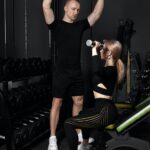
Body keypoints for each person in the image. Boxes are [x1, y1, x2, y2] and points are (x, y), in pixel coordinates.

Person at [42, 0, 104, 150]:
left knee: (79, 101)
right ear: (65, 8)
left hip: (76, 71)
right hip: (61, 72)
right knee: (57, 103)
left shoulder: (79, 26)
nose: (76, 12)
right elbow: (45, 5)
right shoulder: (55, 24)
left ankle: (78, 135)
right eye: (73, 9)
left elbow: (96, 14)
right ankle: (52, 139)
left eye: (78, 10)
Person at [64, 39, 125, 150]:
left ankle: (83, 145)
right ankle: (85, 145)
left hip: (105, 112)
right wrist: (98, 48)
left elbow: (95, 69)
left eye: (102, 48)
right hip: (101, 109)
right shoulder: (107, 69)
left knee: (68, 123)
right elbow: (97, 71)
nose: (100, 50)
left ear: (109, 53)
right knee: (83, 113)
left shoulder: (111, 70)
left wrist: (94, 49)